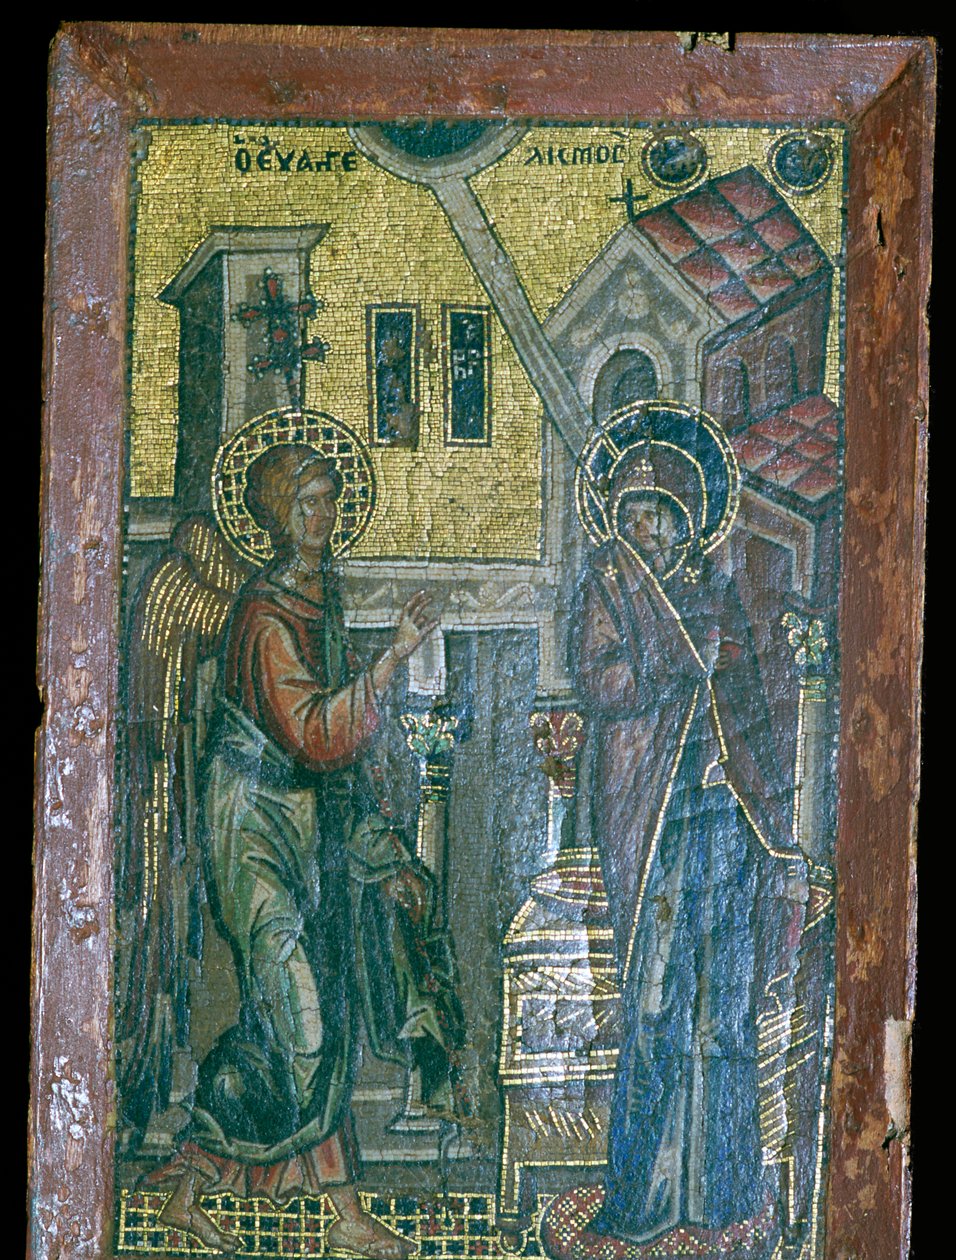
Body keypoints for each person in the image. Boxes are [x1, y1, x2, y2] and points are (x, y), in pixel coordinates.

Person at [153, 444, 466, 1256]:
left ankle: (314, 1212)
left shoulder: (319, 598)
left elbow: (339, 757)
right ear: (276, 515)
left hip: (307, 831)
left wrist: (383, 854)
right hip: (254, 832)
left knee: (306, 1016)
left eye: (329, 500)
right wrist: (393, 658)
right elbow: (314, 732)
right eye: (306, 504)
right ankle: (299, 1205)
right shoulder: (265, 614)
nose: (322, 516)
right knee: (303, 1018)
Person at [575, 447, 807, 1249]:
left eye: (659, 517)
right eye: (633, 515)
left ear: (685, 527)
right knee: (656, 1004)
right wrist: (674, 664)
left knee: (725, 1009)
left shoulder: (714, 597)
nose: (644, 530)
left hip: (725, 821)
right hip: (657, 822)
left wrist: (777, 828)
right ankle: (645, 1193)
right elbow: (603, 682)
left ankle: (723, 1192)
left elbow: (750, 706)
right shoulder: (611, 589)